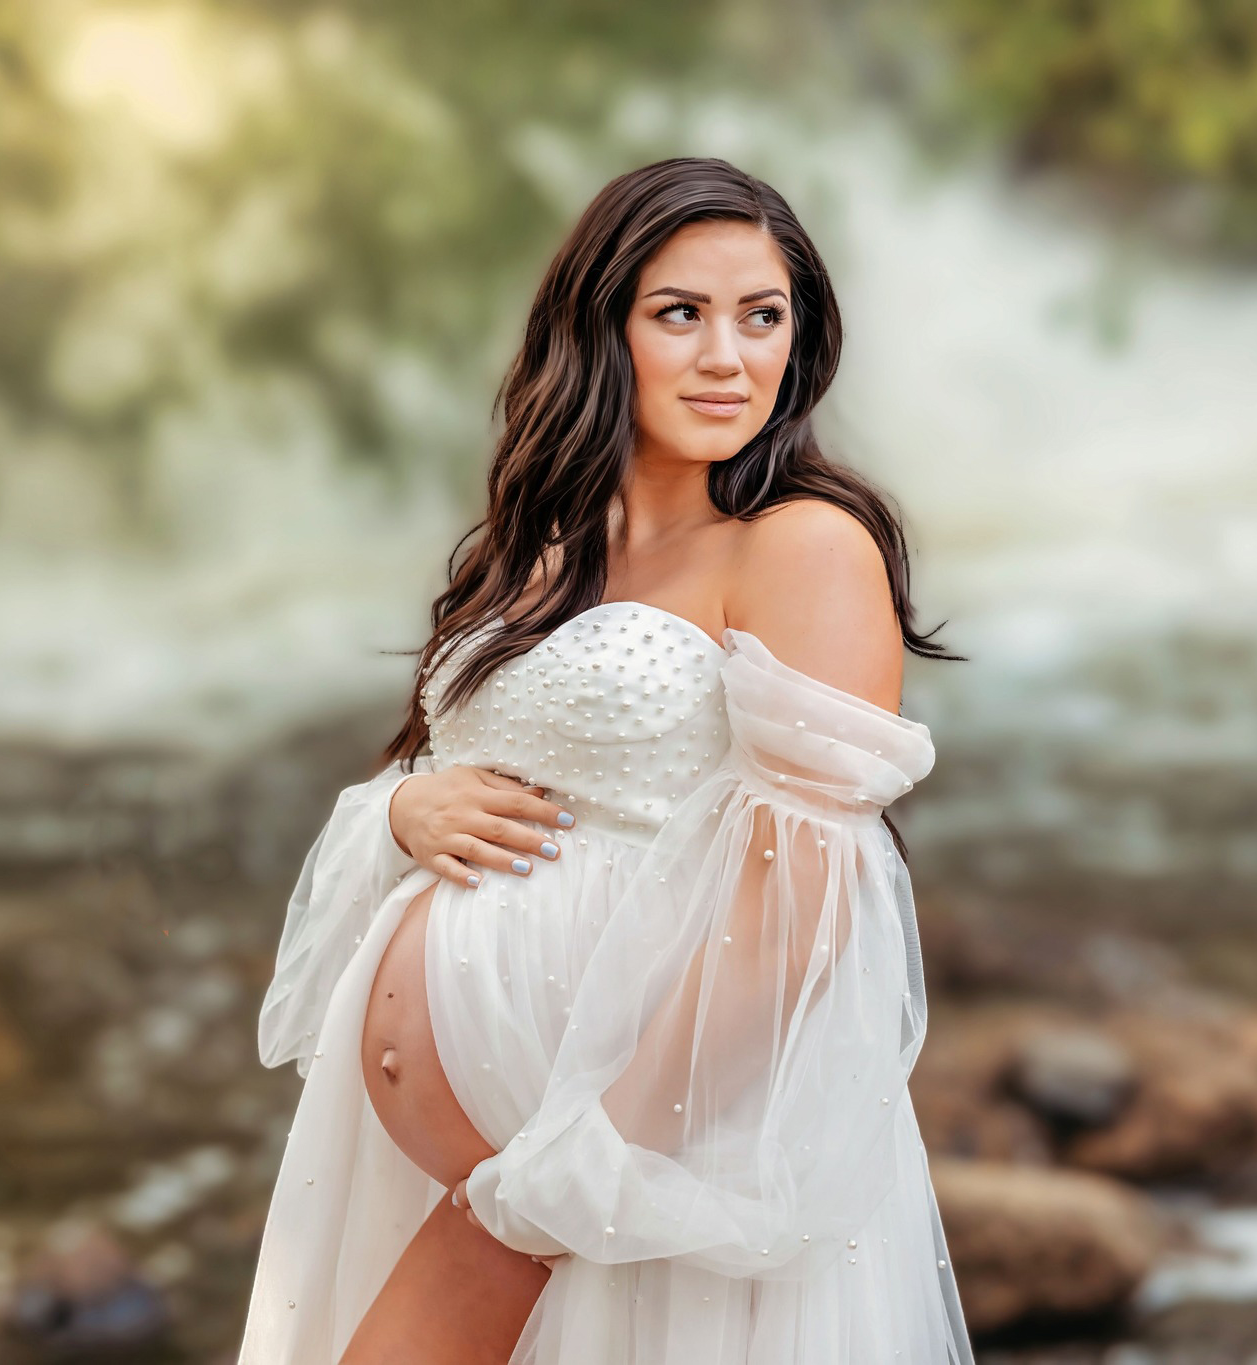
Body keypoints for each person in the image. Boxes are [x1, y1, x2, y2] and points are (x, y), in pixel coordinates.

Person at [236, 156, 976, 1365]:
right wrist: (403, 812)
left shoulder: (798, 544)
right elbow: (462, 767)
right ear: (598, 329)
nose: (727, 357)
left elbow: (802, 901)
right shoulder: (536, 547)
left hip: (627, 1155)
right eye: (679, 314)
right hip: (489, 1163)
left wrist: (590, 1164)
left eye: (762, 316)